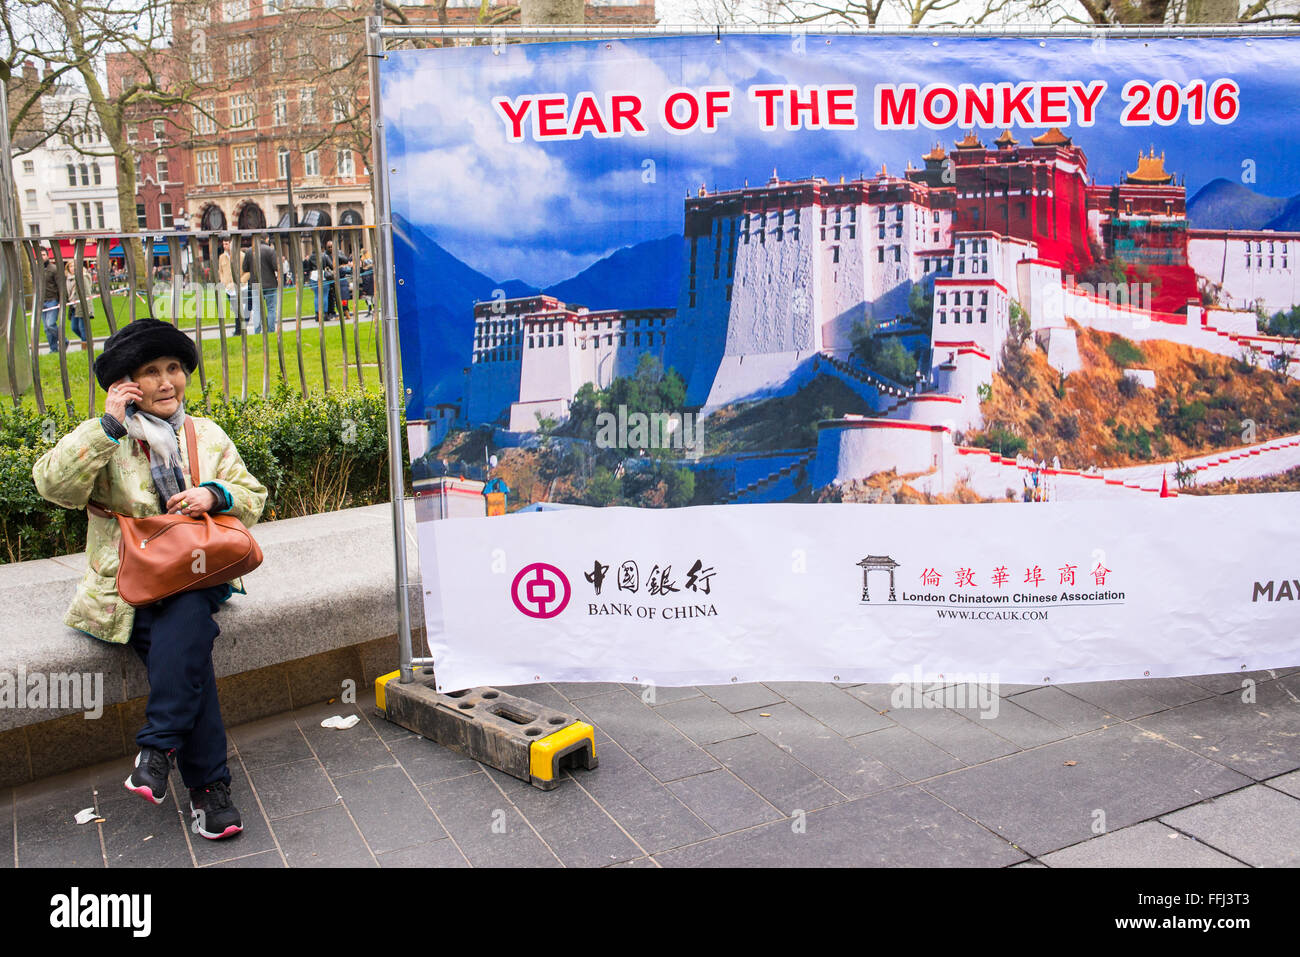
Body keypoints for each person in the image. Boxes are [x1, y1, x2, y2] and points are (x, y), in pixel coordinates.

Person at [32, 318, 268, 840]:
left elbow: (253, 495)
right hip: (127, 589)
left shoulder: (205, 433)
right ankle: (208, 791)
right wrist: (107, 427)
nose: (167, 382)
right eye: (151, 372)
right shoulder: (108, 438)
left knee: (186, 613)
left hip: (198, 574)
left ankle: (159, 749)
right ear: (127, 385)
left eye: (174, 369)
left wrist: (214, 495)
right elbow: (52, 485)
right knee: (191, 652)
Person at [242, 238, 281, 334]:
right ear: (266, 239)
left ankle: (257, 330)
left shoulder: (249, 251)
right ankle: (271, 330)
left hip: (255, 284)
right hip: (270, 284)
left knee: (256, 309)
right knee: (271, 308)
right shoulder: (270, 250)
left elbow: (245, 268)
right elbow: (276, 267)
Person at [39, 246, 62, 352]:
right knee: (46, 329)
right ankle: (53, 349)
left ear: (48, 256)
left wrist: (62, 301)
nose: (42, 257)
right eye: (40, 255)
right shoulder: (36, 269)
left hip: (52, 300)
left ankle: (63, 340)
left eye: (44, 255)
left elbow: (60, 285)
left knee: (50, 324)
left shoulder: (54, 269)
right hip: (41, 301)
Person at [217, 237, 241, 335]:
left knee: (239, 309)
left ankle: (239, 329)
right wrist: (223, 281)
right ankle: (238, 329)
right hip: (228, 288)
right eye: (223, 244)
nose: (225, 246)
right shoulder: (222, 257)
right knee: (234, 309)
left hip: (238, 286)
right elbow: (220, 271)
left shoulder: (238, 255)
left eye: (226, 243)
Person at [63, 261, 89, 345]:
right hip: (73, 307)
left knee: (82, 327)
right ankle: (87, 341)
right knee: (74, 327)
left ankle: (85, 346)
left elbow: (87, 292)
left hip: (81, 305)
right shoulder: (67, 279)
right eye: (70, 266)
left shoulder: (83, 277)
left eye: (74, 266)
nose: (73, 268)